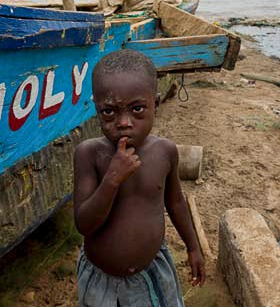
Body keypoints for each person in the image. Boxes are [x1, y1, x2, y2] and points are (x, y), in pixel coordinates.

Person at [74, 49, 204, 307]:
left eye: (137, 109)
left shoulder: (165, 151)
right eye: (109, 112)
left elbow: (176, 203)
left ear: (155, 104)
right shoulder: (89, 154)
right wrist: (112, 178)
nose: (124, 122)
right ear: (97, 108)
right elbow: (84, 225)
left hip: (151, 272)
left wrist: (193, 246)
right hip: (101, 280)